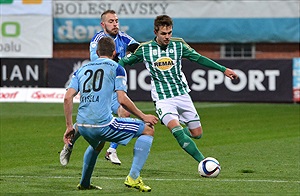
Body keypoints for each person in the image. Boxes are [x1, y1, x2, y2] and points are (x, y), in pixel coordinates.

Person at [119, 15, 238, 163]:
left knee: (197, 133)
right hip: (162, 98)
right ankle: (203, 162)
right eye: (163, 33)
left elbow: (199, 58)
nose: (167, 37)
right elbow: (123, 63)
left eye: (169, 33)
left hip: (182, 95)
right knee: (176, 130)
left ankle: (180, 132)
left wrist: (223, 69)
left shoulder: (179, 45)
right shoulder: (145, 49)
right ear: (155, 32)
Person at [63, 37, 158, 191]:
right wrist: (143, 116)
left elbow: (68, 97)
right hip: (103, 124)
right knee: (148, 129)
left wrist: (69, 126)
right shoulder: (117, 68)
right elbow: (122, 99)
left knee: (98, 143)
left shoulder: (81, 70)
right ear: (114, 52)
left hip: (81, 125)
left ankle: (85, 183)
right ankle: (133, 177)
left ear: (96, 52)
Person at [60, 10, 139, 166]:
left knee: (124, 111)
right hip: (100, 87)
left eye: (116, 20)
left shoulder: (124, 37)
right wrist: (124, 59)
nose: (115, 24)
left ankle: (112, 150)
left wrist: (134, 53)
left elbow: (137, 48)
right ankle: (69, 144)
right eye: (111, 21)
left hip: (114, 86)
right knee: (90, 120)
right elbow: (99, 62)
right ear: (103, 24)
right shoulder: (98, 40)